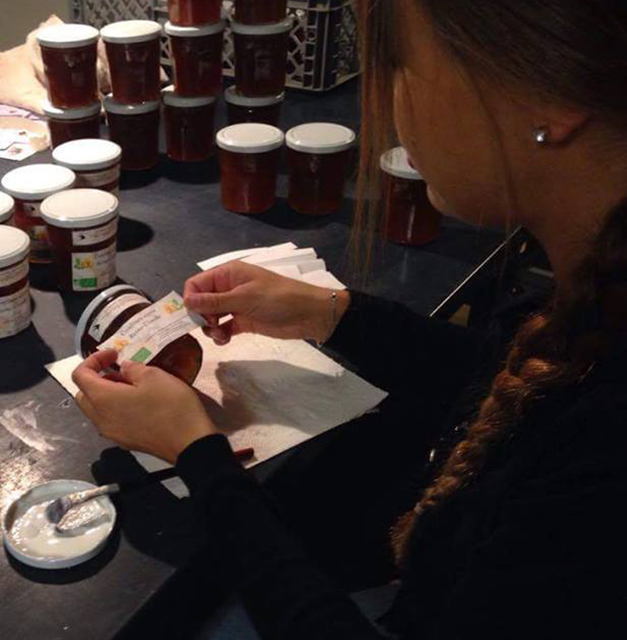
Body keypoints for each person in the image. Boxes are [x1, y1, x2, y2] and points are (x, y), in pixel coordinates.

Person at [73, 0, 627, 637]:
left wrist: (199, 456)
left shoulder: (606, 465)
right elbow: (512, 380)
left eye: (398, 65)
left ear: (548, 94)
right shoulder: (588, 303)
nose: (387, 103)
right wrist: (329, 312)